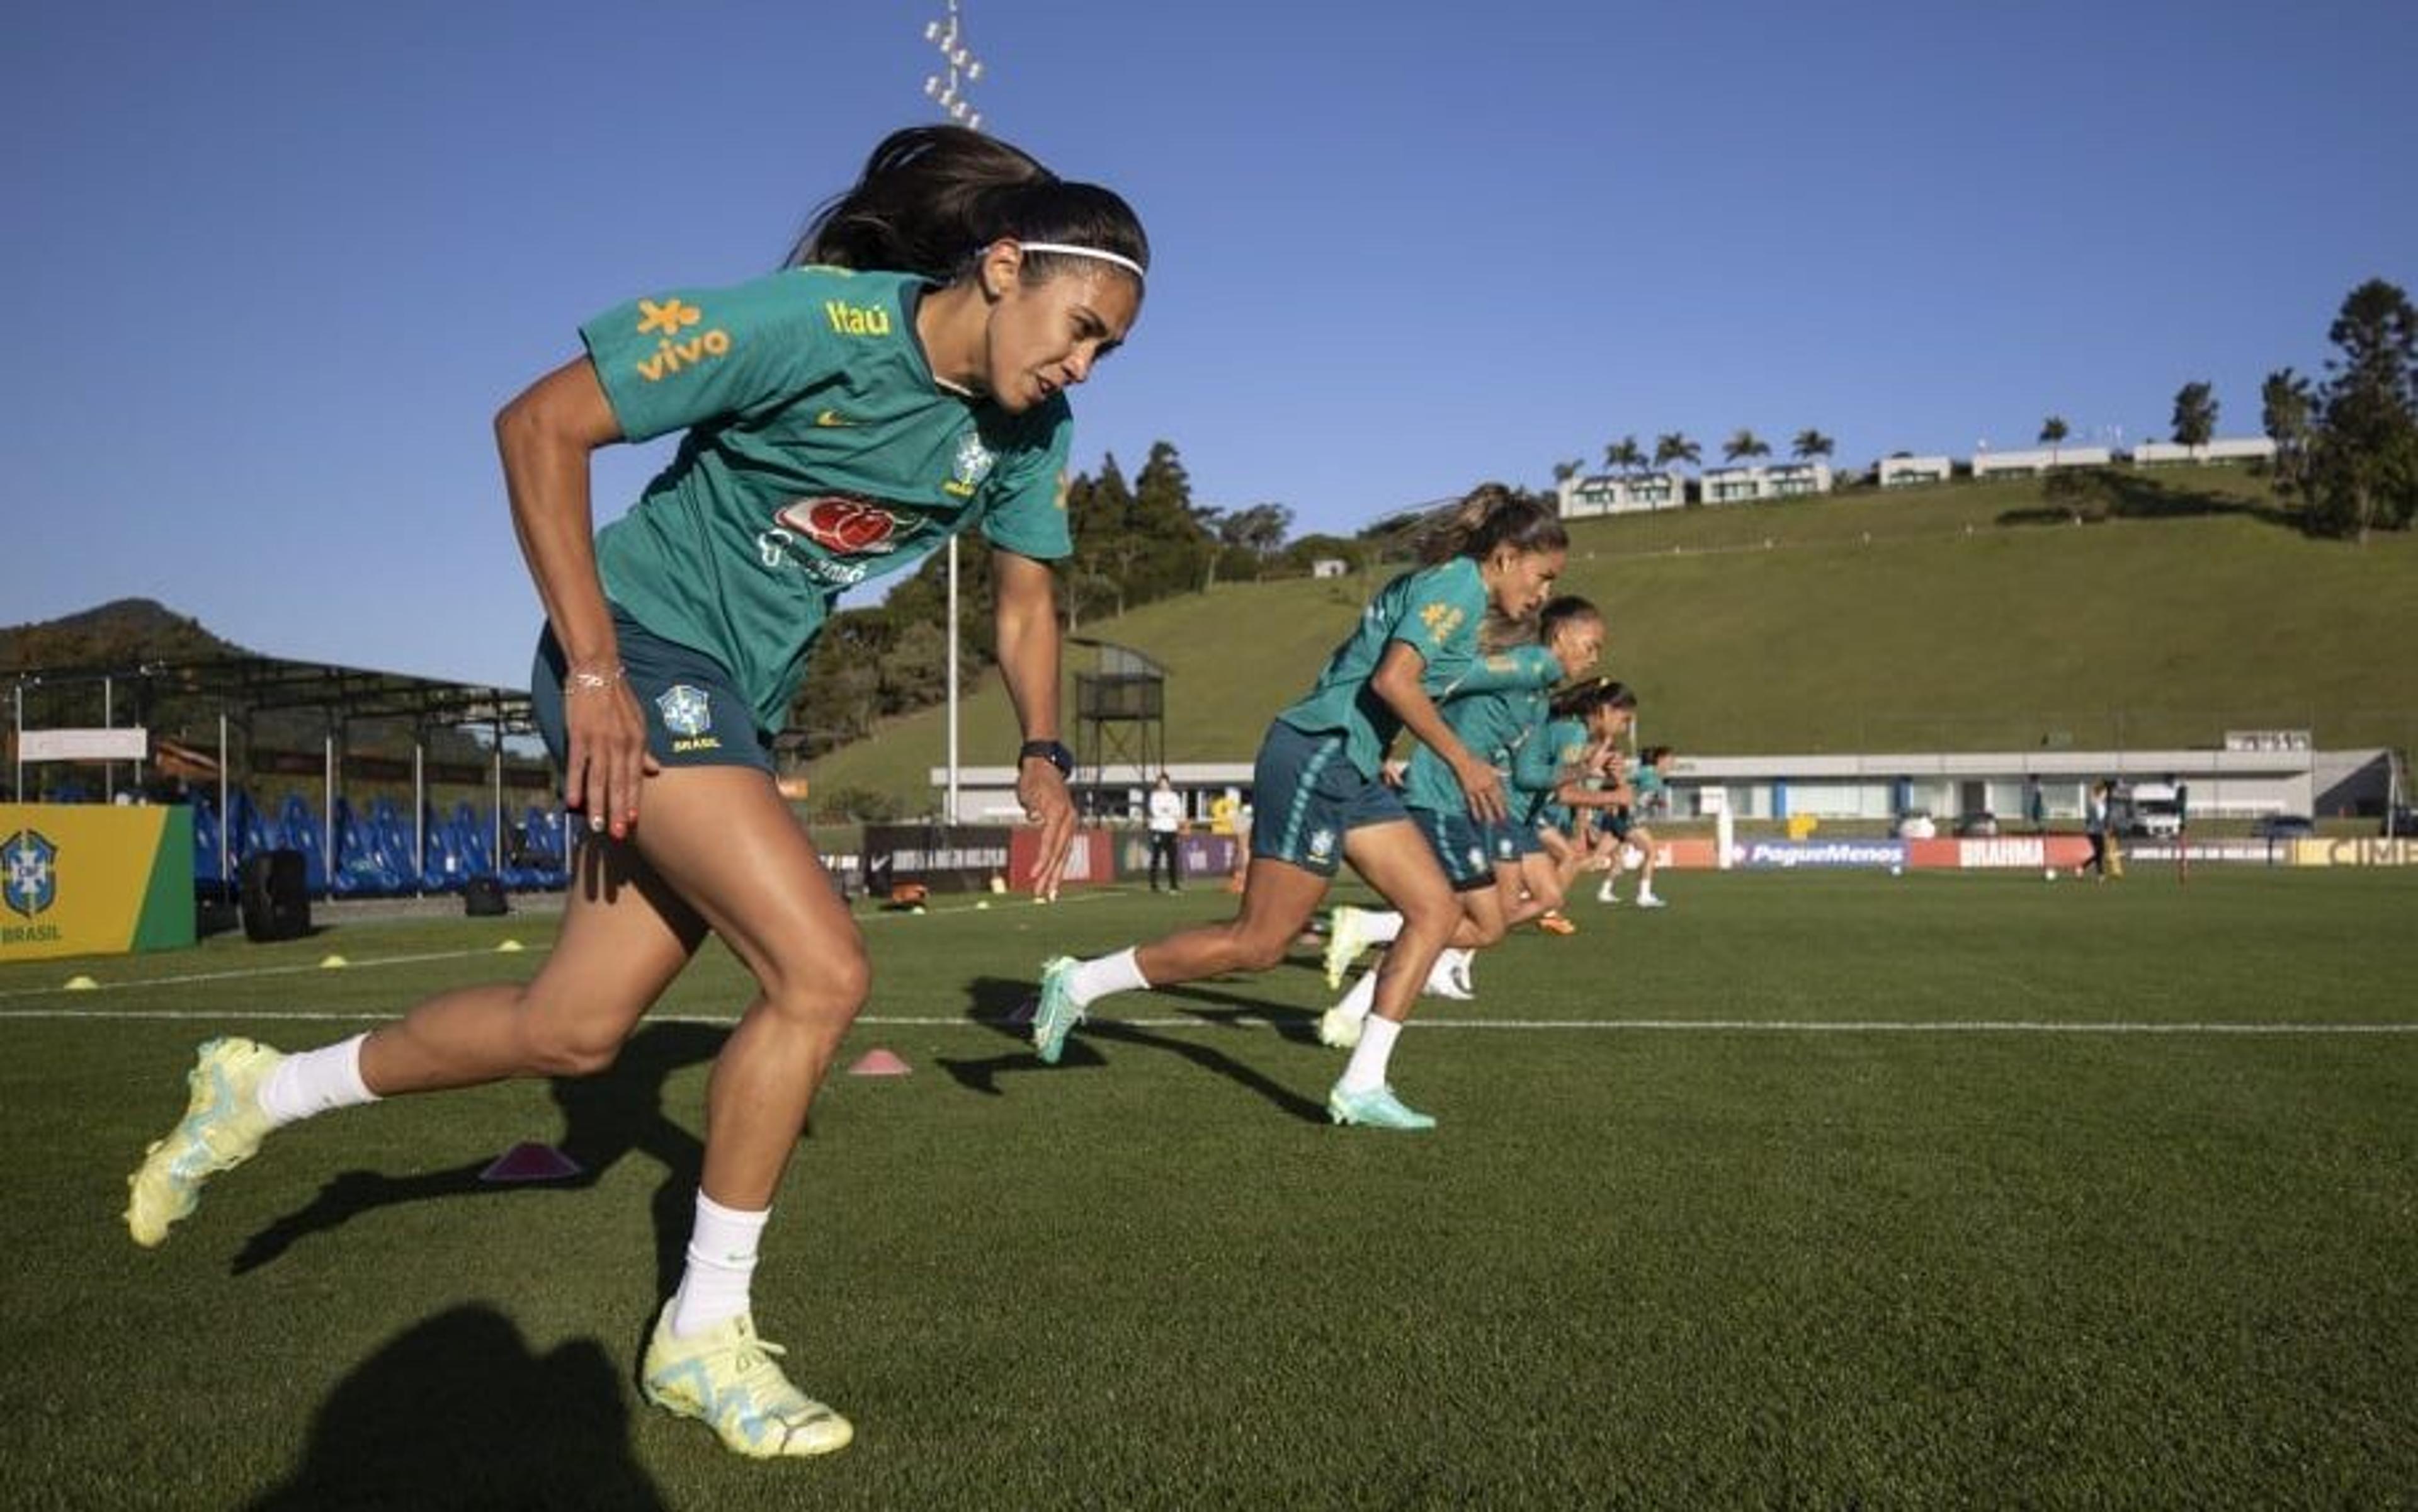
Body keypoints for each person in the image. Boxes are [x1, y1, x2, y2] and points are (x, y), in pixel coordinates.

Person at [122, 125, 1148, 1460]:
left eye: (1105, 352)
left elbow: (1025, 599)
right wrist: (596, 667)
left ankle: (262, 1091)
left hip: (728, 704)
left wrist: (1045, 748)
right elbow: (540, 423)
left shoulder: (1027, 430)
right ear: (1004, 265)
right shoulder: (812, 324)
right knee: (824, 973)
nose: (1081, 365)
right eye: (1077, 328)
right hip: (637, 659)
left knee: (571, 1034)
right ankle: (701, 1335)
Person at [1028, 485, 1568, 1129]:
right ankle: (1079, 983)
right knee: (1258, 944)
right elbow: (1392, 680)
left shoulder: (1450, 590)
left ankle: (1363, 1082)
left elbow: (1431, 677)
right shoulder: (1454, 589)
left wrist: (1522, 672)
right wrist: (1463, 759)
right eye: (1544, 577)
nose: (1543, 594)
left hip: (1352, 765)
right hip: (1319, 753)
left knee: (1435, 908)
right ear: (1506, 556)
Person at [1322, 595, 1605, 1014]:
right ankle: (1368, 930)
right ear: (1561, 635)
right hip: (1437, 796)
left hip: (1461, 805)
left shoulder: (1539, 698)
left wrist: (1582, 770)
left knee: (1480, 922)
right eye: (1591, 644)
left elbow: (1528, 773)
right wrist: (1384, 739)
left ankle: (1349, 1009)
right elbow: (1441, 677)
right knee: (1477, 920)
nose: (1595, 656)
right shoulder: (1528, 665)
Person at [1598, 744, 1669, 909]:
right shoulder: (1646, 772)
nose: (1671, 763)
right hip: (1631, 820)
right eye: (1669, 760)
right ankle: (1644, 895)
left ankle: (1605, 890)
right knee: (1651, 852)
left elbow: (1641, 794)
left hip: (1627, 819)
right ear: (1657, 760)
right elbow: (1622, 782)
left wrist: (1656, 801)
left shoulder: (1653, 776)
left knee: (1603, 858)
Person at [1145, 772, 1184, 892]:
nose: (1163, 785)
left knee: (1172, 858)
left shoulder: (1175, 796)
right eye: (1161, 783)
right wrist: (1167, 811)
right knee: (1156, 857)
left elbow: (1177, 812)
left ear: (1168, 783)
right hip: (1158, 829)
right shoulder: (1154, 796)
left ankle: (1173, 885)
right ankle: (1154, 884)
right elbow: (1155, 812)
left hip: (1172, 830)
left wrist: (1166, 811)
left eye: (1165, 783)